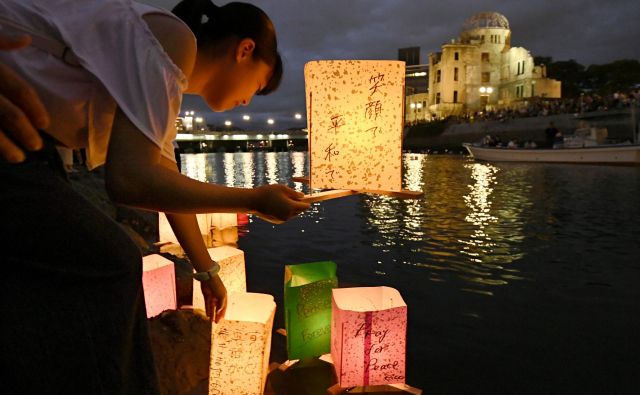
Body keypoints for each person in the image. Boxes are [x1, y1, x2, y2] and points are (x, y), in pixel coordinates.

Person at [0, 0, 309, 393]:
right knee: (113, 261)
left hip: (28, 146)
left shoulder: (160, 83)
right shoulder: (174, 39)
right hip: (15, 140)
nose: (247, 100)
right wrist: (253, 200)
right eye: (257, 86)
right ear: (244, 50)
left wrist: (206, 269)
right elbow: (130, 179)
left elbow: (162, 177)